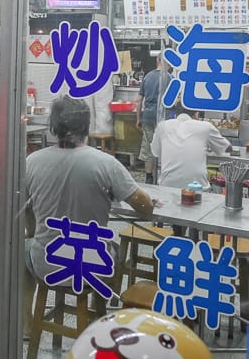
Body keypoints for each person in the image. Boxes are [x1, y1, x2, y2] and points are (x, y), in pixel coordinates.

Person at [23, 95, 154, 334]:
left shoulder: (32, 161)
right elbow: (144, 206)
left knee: (21, 249)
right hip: (92, 265)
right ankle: (98, 317)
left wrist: (32, 232)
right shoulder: (106, 163)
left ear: (53, 127)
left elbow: (24, 209)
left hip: (47, 263)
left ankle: (28, 324)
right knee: (114, 248)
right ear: (86, 126)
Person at [150, 103, 231, 190]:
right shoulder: (205, 126)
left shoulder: (163, 126)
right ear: (196, 114)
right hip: (198, 188)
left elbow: (155, 152)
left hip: (167, 185)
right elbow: (227, 148)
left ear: (175, 114)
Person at [136, 54, 170, 184]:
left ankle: (149, 177)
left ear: (157, 61)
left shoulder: (148, 77)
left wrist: (138, 118)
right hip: (165, 119)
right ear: (169, 64)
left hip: (148, 117)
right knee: (165, 147)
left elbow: (138, 101)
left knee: (149, 148)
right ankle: (163, 175)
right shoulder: (170, 78)